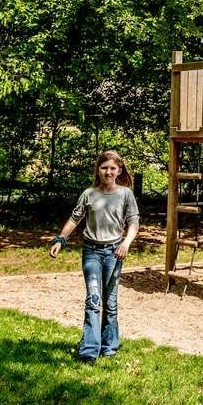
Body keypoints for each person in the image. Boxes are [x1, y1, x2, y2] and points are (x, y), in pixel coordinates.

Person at [50, 150, 140, 362]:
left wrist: (126, 243)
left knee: (110, 302)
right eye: (104, 168)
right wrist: (60, 240)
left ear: (119, 170)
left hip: (114, 253)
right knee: (94, 299)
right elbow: (75, 218)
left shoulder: (126, 194)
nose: (108, 172)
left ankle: (109, 346)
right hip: (91, 252)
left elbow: (134, 222)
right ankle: (89, 350)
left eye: (112, 168)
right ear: (98, 170)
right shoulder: (89, 194)